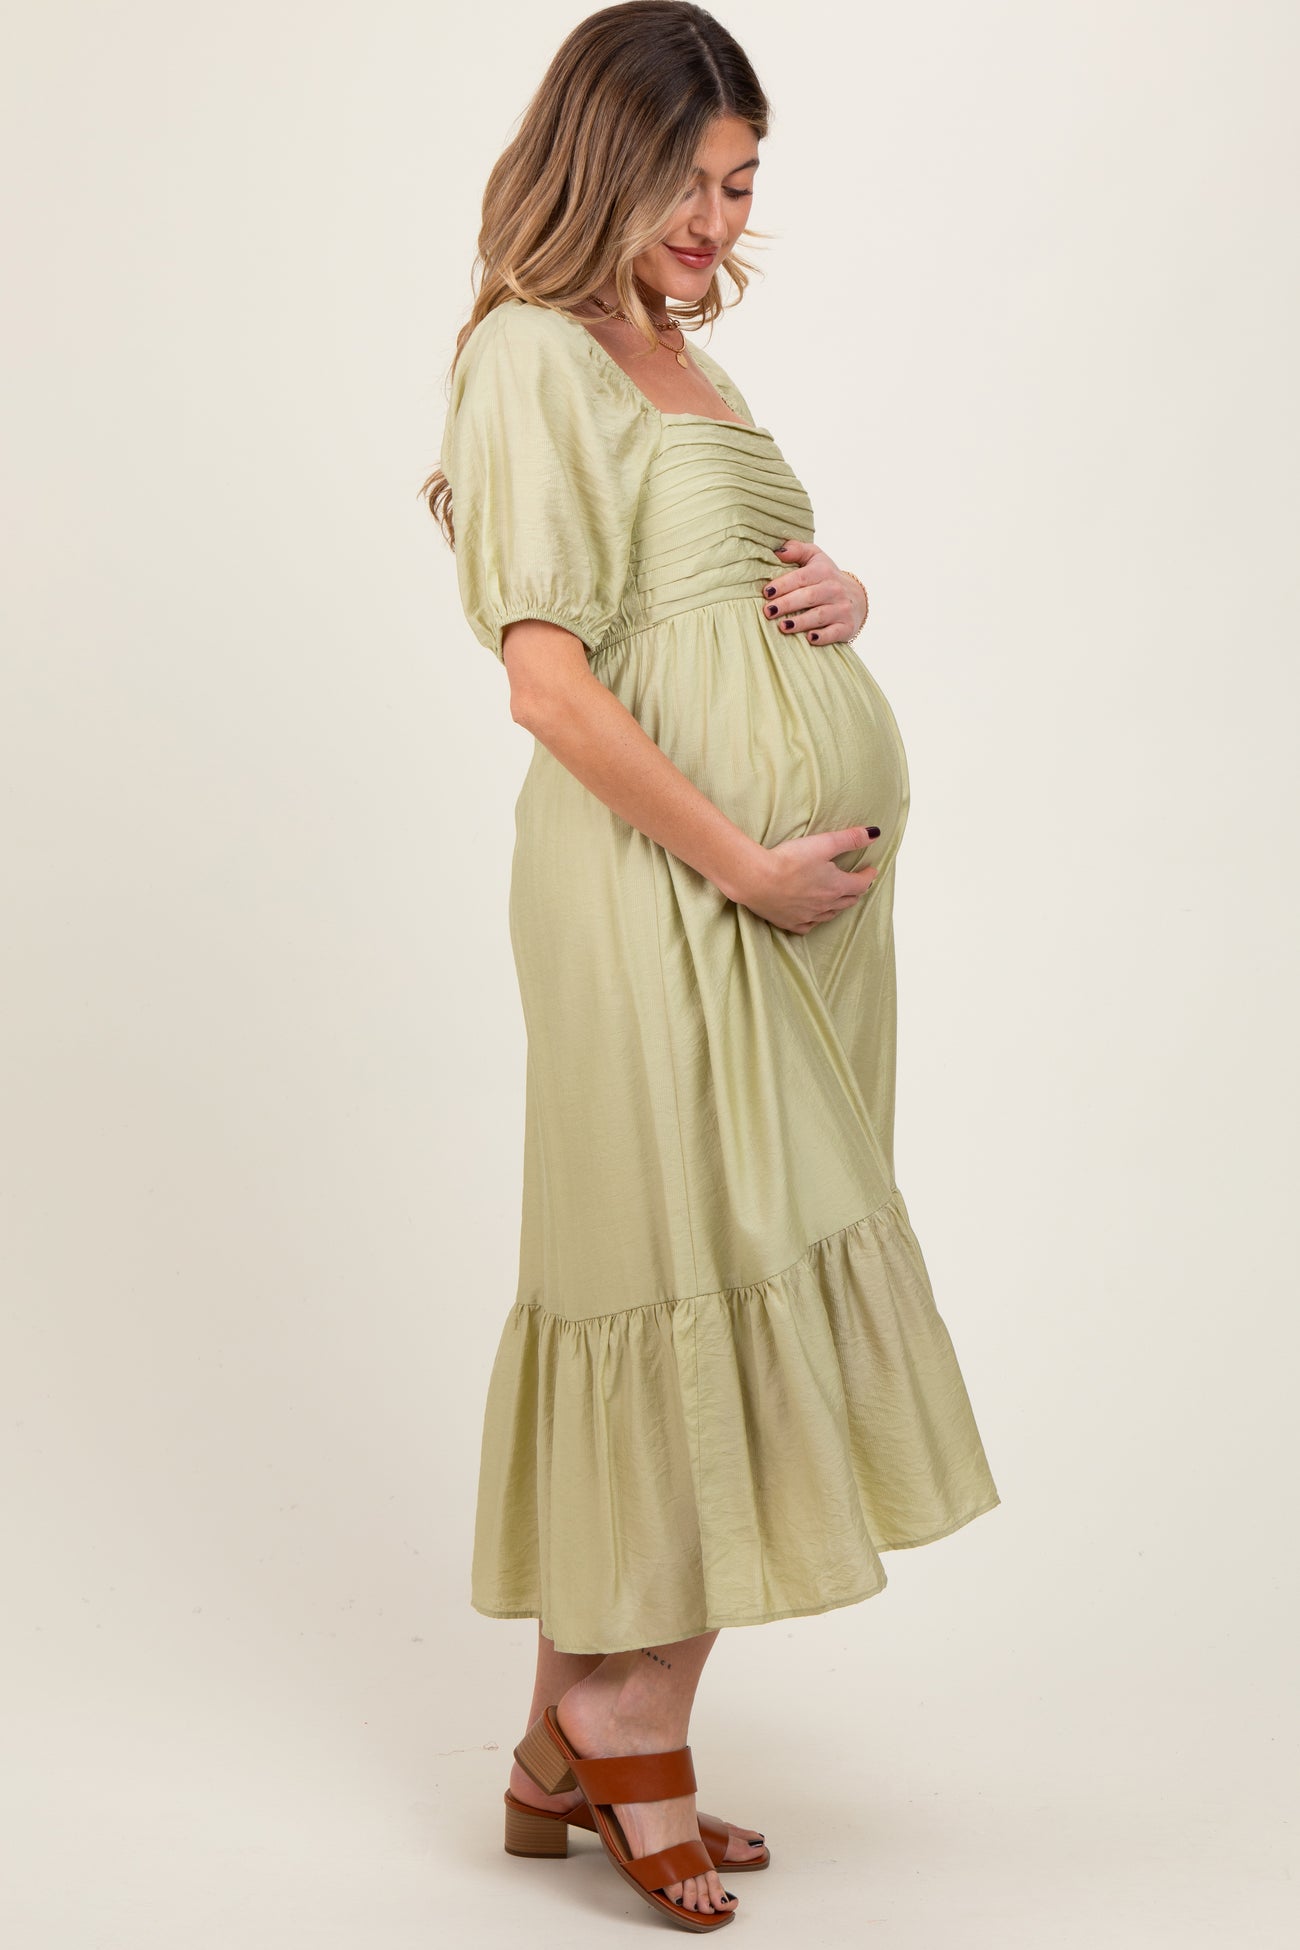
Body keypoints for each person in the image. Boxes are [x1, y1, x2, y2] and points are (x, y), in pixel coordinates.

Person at [421, 3, 1000, 1931]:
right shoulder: (531, 353)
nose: (717, 220)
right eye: (690, 182)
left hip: (790, 917)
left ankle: (552, 1748)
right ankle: (625, 1716)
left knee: (699, 1262)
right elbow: (548, 681)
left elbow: (717, 598)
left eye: (742, 186)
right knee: (687, 1262)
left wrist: (839, 594)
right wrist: (745, 858)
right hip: (665, 886)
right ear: (604, 160)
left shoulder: (683, 358)